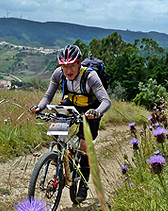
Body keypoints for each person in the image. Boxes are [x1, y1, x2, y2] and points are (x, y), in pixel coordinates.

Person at [29, 44, 111, 202]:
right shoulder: (58, 74)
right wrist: (38, 107)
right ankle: (60, 158)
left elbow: (105, 101)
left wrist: (97, 112)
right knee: (56, 133)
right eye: (64, 66)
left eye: (72, 65)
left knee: (84, 144)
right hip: (71, 104)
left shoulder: (91, 76)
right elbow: (47, 96)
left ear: (79, 63)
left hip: (91, 109)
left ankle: (83, 184)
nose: (68, 70)